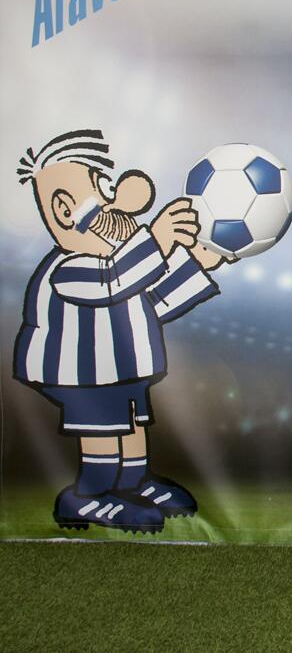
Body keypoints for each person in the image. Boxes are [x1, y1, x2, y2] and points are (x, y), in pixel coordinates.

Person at [13, 129, 227, 533]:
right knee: (103, 427)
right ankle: (87, 496)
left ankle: (133, 482)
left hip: (119, 370)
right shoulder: (70, 267)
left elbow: (152, 303)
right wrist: (158, 240)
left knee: (130, 423)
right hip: (82, 374)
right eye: (103, 190)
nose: (119, 203)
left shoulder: (115, 265)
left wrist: (196, 264)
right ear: (64, 209)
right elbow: (112, 281)